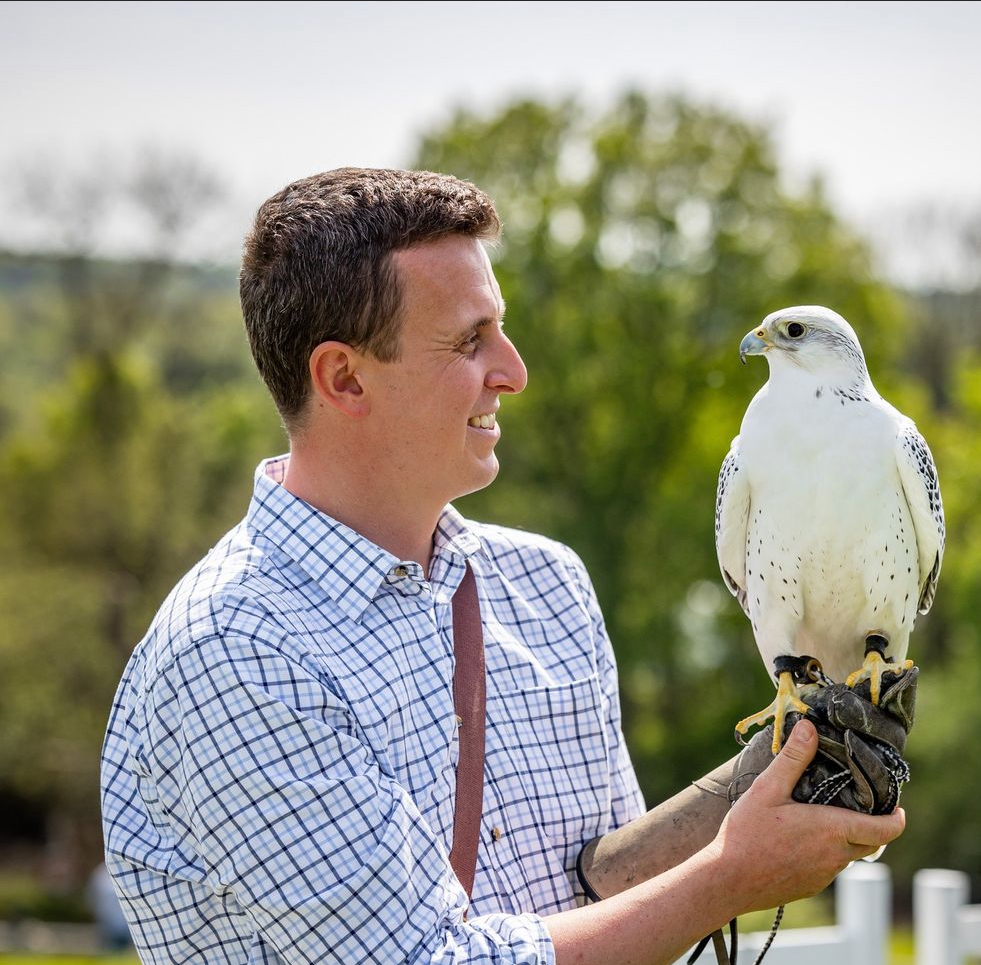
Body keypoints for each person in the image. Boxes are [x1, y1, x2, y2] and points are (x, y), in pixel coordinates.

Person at [100, 167, 905, 964]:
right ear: (344, 377)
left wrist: (757, 788)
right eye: (469, 340)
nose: (514, 371)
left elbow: (591, 892)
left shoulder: (545, 587)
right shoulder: (235, 652)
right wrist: (727, 878)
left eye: (502, 329)